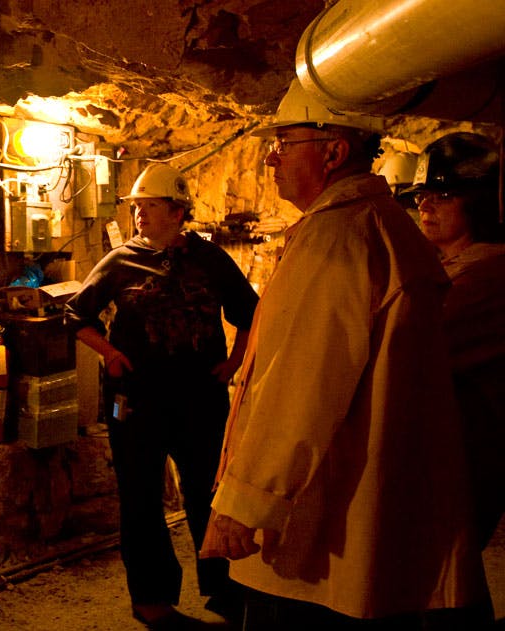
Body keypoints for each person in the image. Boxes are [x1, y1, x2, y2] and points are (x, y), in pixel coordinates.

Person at [198, 78, 492, 629]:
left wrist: (247, 500)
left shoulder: (339, 238)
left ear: (333, 150)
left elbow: (301, 385)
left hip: (322, 524)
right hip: (365, 499)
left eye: (285, 143)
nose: (271, 159)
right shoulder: (378, 227)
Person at [65, 163, 258, 627]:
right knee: (140, 496)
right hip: (134, 401)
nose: (140, 217)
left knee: (208, 494)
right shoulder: (120, 261)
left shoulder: (210, 259)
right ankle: (151, 600)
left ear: (177, 211)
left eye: (149, 208)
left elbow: (251, 312)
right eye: (137, 209)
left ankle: (225, 591)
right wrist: (108, 351)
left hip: (199, 398)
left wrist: (234, 363)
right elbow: (76, 315)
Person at [407, 131, 505, 549]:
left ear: (479, 202)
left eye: (442, 196)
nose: (425, 206)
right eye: (422, 196)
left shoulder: (485, 276)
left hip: (470, 455)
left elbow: (410, 349)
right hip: (456, 450)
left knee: (442, 574)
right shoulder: (455, 268)